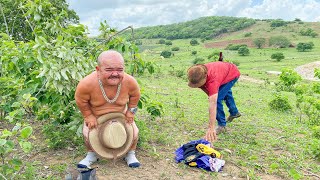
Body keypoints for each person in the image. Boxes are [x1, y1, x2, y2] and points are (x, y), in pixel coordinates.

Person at [75, 50, 141, 168]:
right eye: (109, 70)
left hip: (121, 117)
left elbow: (135, 96)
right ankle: (91, 154)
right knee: (87, 133)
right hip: (96, 118)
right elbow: (80, 100)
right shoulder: (87, 84)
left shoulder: (130, 82)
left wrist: (131, 112)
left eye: (119, 70)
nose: (115, 74)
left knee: (135, 132)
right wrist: (88, 116)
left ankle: (130, 153)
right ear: (98, 69)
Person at [187, 61, 241, 142]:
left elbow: (213, 103)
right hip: (223, 72)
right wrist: (211, 95)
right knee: (225, 92)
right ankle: (234, 112)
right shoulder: (197, 72)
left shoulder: (213, 80)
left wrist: (211, 127)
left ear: (205, 78)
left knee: (218, 98)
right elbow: (204, 88)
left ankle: (221, 125)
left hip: (232, 73)